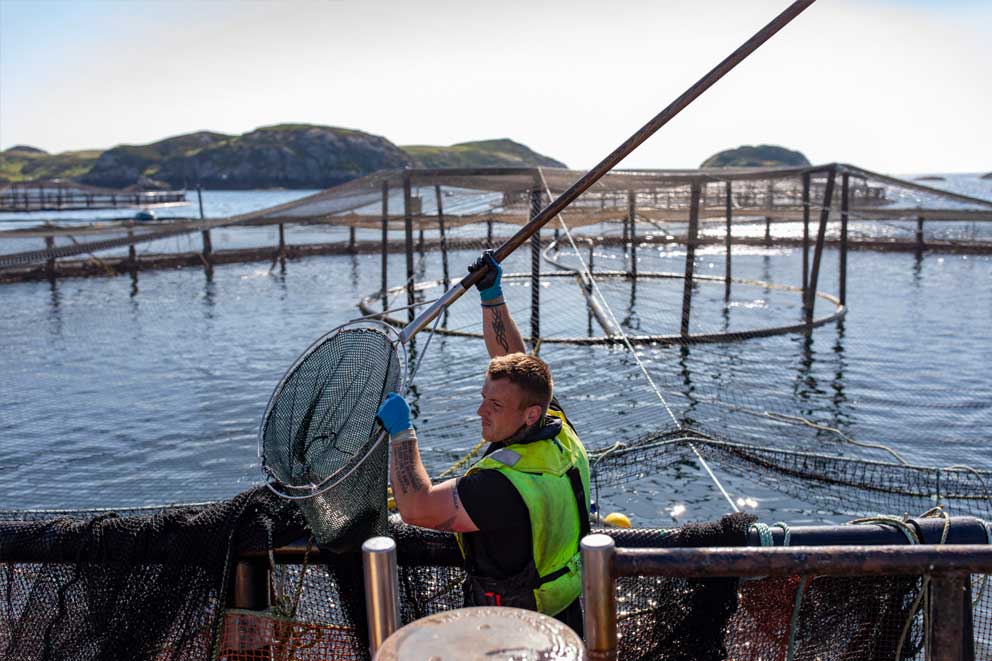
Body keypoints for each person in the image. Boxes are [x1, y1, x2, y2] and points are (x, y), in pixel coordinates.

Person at [376, 250, 591, 633]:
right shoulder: (557, 428)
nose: (480, 412)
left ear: (529, 414)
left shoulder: (500, 486)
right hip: (567, 611)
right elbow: (513, 358)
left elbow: (416, 506)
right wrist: (492, 297)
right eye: (483, 398)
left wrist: (401, 433)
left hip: (512, 628)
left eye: (494, 405)